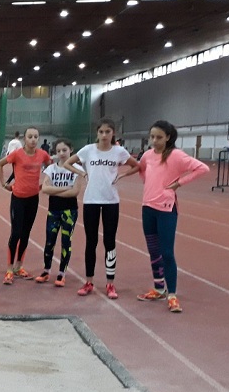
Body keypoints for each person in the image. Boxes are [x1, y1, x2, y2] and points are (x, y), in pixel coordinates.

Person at [117, 120, 209, 313]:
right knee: (153, 251)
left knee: (167, 253)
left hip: (166, 210)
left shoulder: (176, 156)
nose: (154, 141)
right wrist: (147, 184)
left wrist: (179, 183)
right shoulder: (148, 155)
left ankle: (172, 295)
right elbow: (142, 170)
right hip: (147, 208)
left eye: (159, 137)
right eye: (152, 137)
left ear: (168, 137)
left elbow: (202, 168)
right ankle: (159, 288)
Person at [63, 118, 138, 299]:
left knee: (109, 242)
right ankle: (88, 281)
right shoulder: (88, 150)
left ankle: (110, 283)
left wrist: (121, 176)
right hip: (91, 200)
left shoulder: (119, 152)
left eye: (107, 132)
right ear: (97, 133)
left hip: (111, 201)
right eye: (101, 132)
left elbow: (137, 166)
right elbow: (67, 163)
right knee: (91, 242)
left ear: (113, 133)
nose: (104, 135)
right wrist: (82, 173)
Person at [0, 126, 51, 285]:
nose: (33, 140)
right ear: (24, 139)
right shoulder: (17, 154)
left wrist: (45, 184)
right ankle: (9, 269)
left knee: (26, 233)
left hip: (33, 199)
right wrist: (3, 183)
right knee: (16, 233)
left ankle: (19, 266)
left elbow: (52, 167)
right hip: (18, 199)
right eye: (30, 137)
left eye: (35, 137)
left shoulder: (43, 154)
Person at [36, 139, 81, 287]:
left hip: (69, 211)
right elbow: (45, 189)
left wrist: (54, 191)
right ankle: (46, 270)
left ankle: (62, 273)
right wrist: (65, 189)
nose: (61, 153)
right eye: (58, 151)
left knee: (66, 242)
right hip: (53, 210)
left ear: (71, 150)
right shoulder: (51, 169)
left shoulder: (77, 169)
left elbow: (75, 192)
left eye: (64, 150)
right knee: (49, 241)